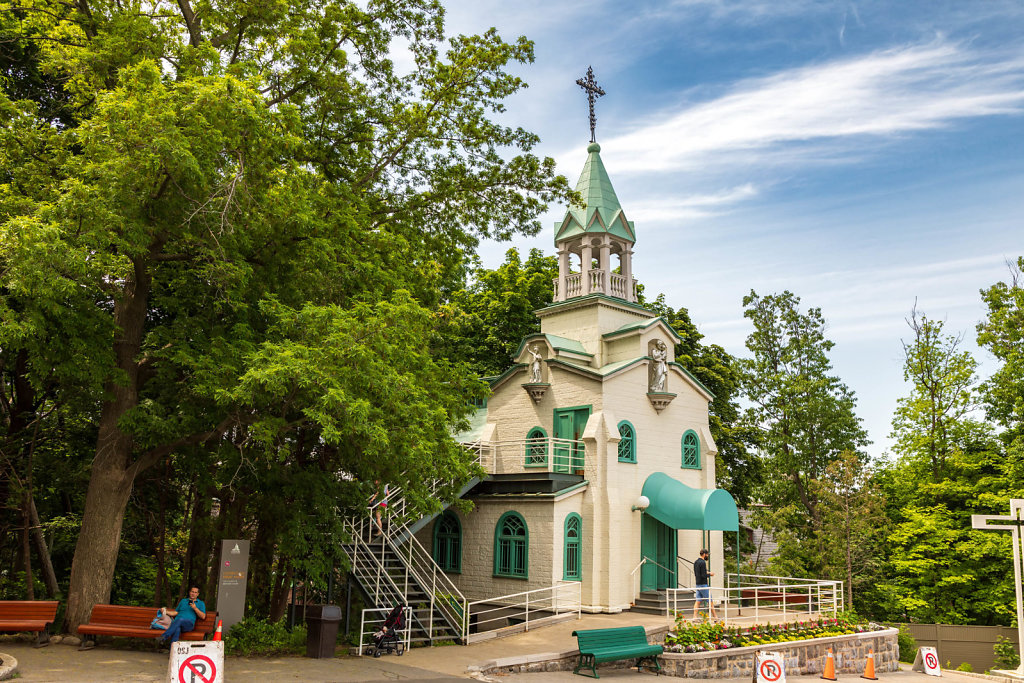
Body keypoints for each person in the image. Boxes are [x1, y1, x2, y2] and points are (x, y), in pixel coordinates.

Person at [692, 548, 716, 619]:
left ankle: (694, 617)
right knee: (710, 601)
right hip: (703, 584)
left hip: (697, 584)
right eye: (707, 554)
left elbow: (699, 573)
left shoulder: (696, 562)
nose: (707, 556)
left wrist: (708, 572)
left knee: (698, 601)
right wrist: (710, 575)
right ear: (704, 554)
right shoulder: (702, 562)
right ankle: (716, 618)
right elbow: (703, 575)